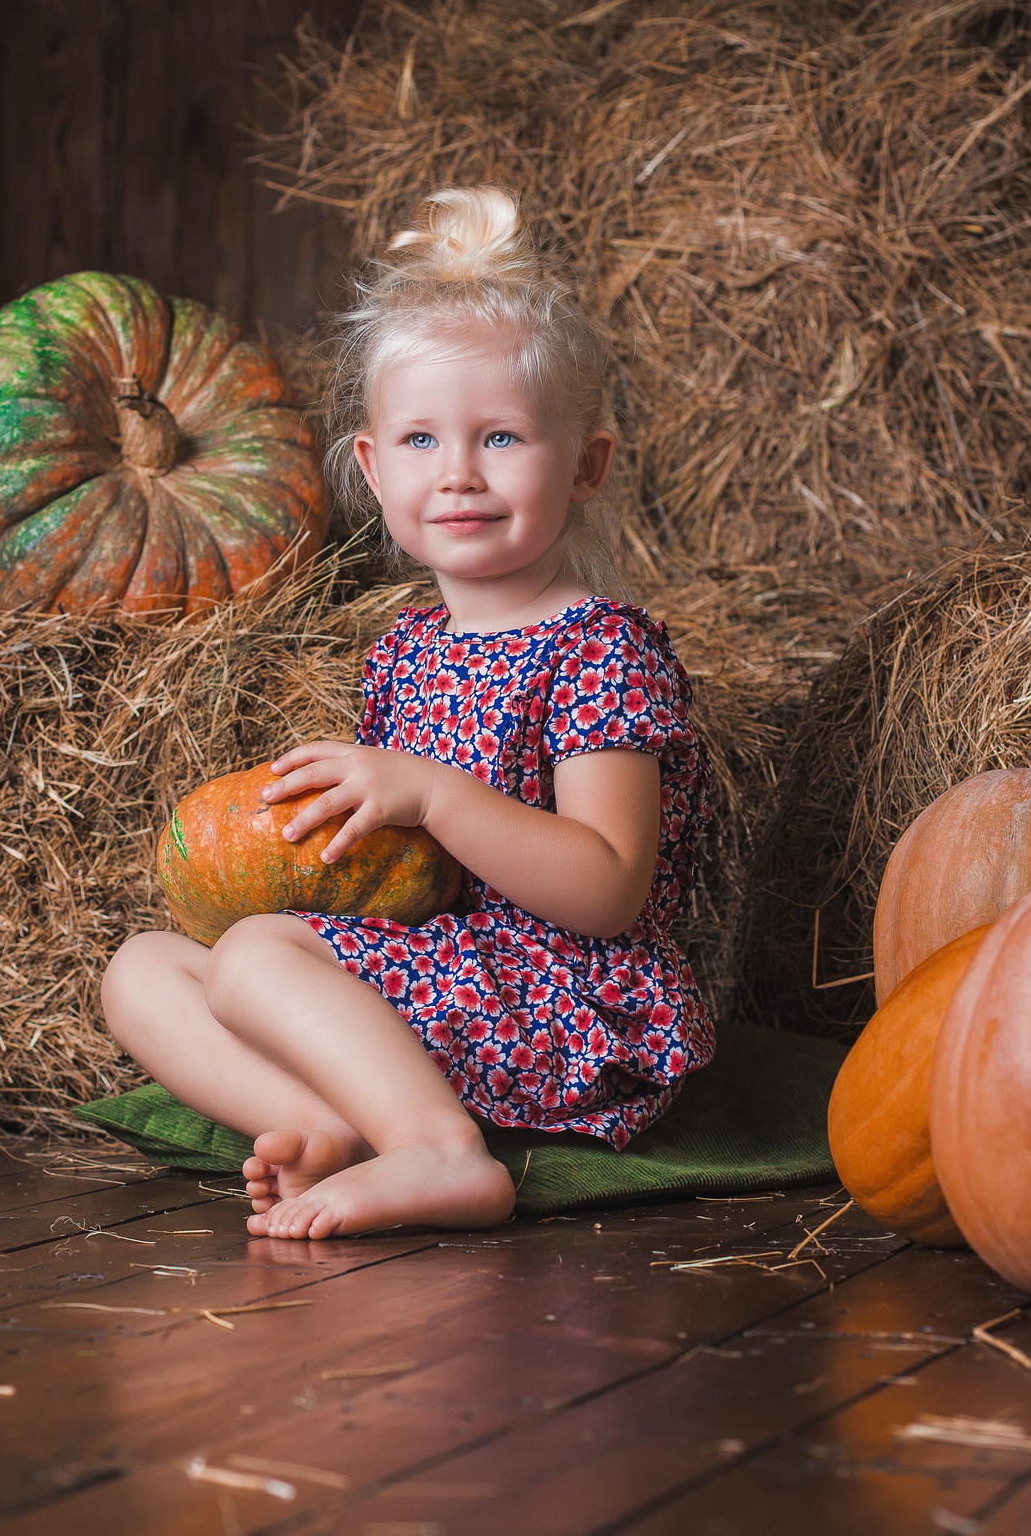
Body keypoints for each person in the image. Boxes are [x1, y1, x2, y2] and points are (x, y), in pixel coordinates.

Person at [101, 185, 713, 1239]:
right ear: (374, 470)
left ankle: (442, 1150)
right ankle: (329, 1126)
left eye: (502, 438)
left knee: (256, 957)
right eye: (421, 441)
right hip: (444, 975)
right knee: (143, 971)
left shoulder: (598, 648)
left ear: (587, 465)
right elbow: (402, 882)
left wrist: (431, 794)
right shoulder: (408, 650)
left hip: (561, 1005)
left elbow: (609, 889)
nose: (459, 474)